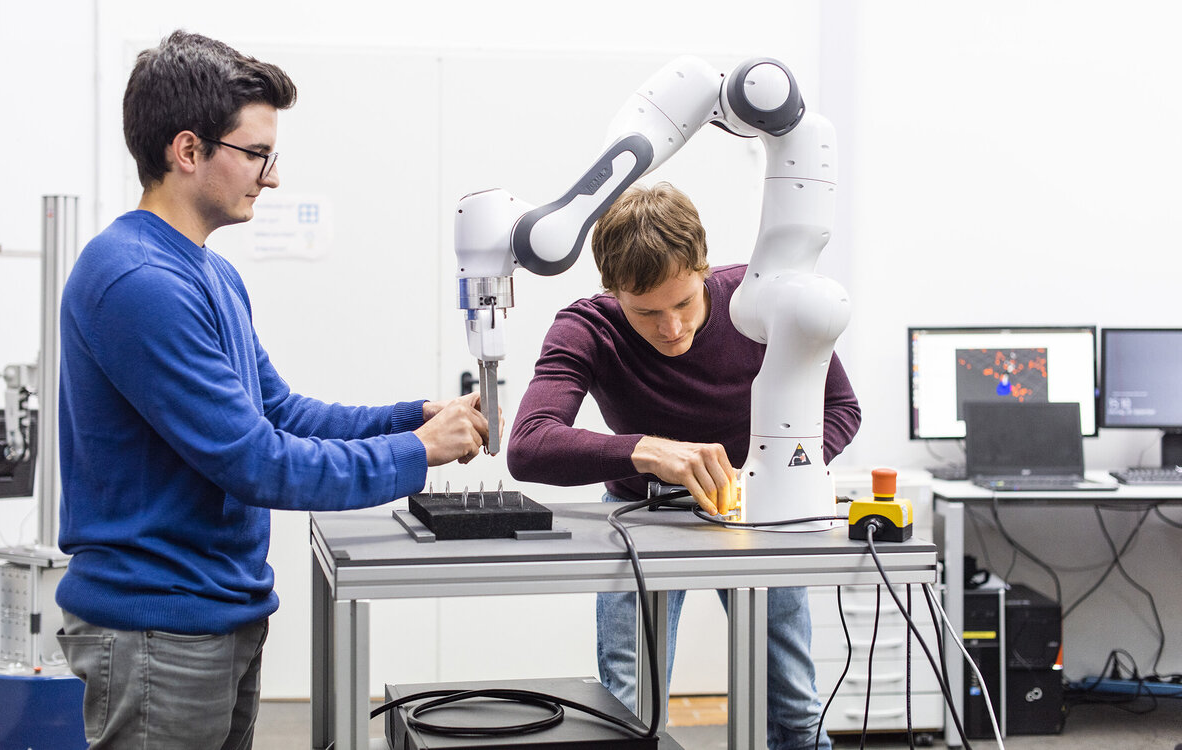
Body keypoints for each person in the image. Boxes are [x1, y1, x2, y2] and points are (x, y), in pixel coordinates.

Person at [54, 31, 493, 750]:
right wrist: (416, 453)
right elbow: (256, 461)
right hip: (157, 626)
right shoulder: (137, 281)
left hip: (219, 611)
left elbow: (281, 412)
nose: (274, 176)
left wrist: (414, 416)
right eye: (257, 154)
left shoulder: (209, 274)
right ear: (187, 151)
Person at [507, 181, 861, 750]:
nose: (671, 329)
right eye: (646, 312)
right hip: (640, 517)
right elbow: (528, 445)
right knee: (630, 713)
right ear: (612, 291)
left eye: (683, 304)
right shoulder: (588, 328)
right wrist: (644, 450)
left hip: (762, 513)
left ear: (703, 269)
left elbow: (841, 407)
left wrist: (771, 475)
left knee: (795, 709)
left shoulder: (766, 302)